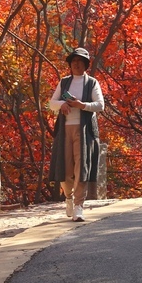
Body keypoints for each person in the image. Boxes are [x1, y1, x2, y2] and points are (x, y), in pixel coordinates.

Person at [48, 47, 105, 222]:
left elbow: (100, 105)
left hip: (85, 131)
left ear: (86, 64)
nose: (76, 63)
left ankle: (79, 205)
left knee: (82, 168)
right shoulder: (64, 82)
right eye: (74, 61)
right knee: (65, 168)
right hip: (65, 130)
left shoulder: (92, 83)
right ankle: (69, 198)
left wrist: (82, 105)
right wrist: (62, 105)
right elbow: (52, 103)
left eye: (80, 61)